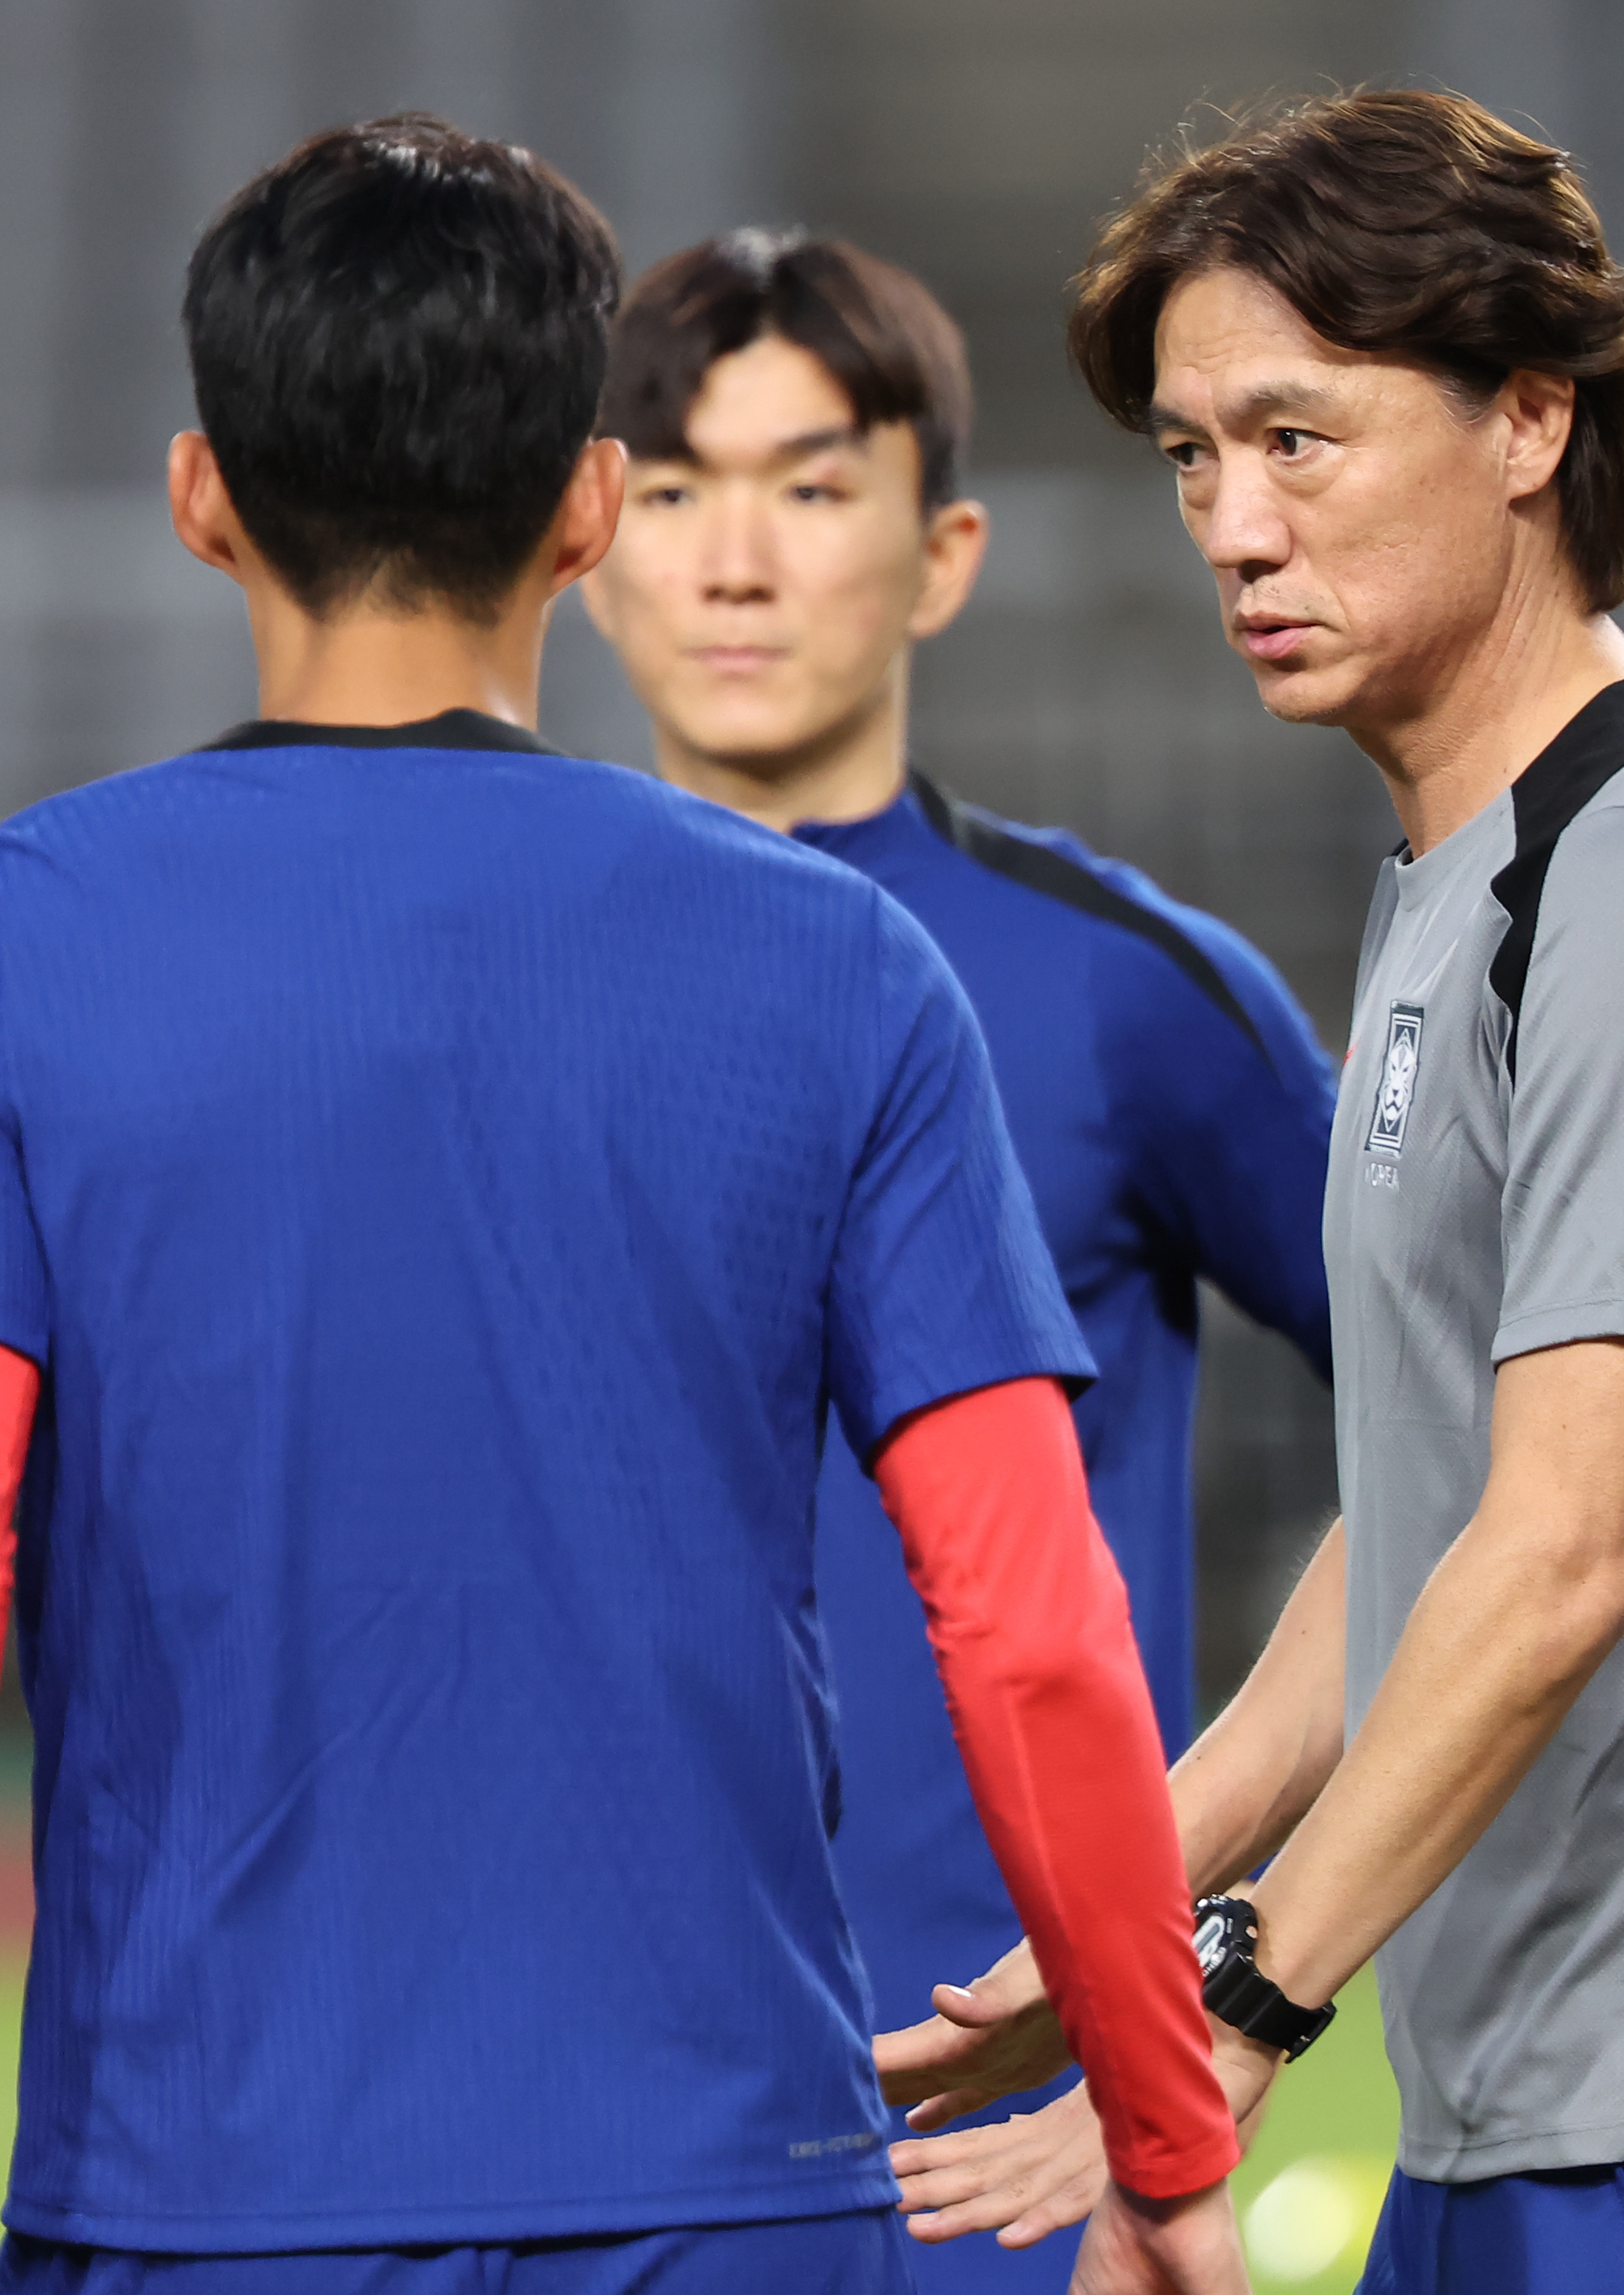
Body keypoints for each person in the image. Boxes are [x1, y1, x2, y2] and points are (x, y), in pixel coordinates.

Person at [0, 117, 1250, 2295]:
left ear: (200, 498)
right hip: (734, 2197)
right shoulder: (842, 967)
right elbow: (1031, 1618)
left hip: (195, 2205)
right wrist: (1164, 2144)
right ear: (585, 508)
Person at [880, 89, 1624, 2295]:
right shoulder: (1459, 867)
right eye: (1194, 456)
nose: (1230, 524)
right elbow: (1436, 1513)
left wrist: (1237, 1999)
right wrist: (1125, 1915)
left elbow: (1570, 1545)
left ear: (1525, 420)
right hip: (1535, 2130)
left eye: (1298, 439)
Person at [579, 229, 1336, 2290]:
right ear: (584, 535)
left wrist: (1237, 1875)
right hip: (578, 2138)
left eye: (812, 487)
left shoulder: (1124, 994)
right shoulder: (479, 989)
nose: (735, 559)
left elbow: (1498, 1417)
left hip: (1014, 2170)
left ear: (941, 553)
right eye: (670, 488)